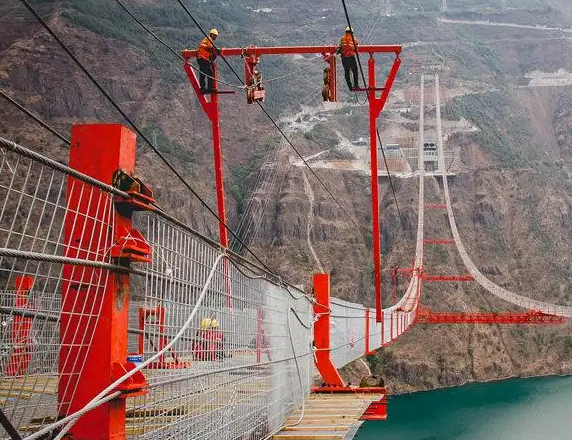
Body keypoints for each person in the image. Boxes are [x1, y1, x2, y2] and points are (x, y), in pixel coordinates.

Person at [196, 29, 219, 94]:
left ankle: (204, 88)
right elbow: (208, 47)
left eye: (216, 36)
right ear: (211, 34)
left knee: (204, 73)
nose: (215, 37)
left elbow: (210, 52)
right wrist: (214, 49)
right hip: (202, 59)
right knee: (209, 73)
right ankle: (208, 88)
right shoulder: (209, 39)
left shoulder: (207, 40)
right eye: (215, 35)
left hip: (202, 59)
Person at [338, 26, 359, 91]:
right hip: (351, 57)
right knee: (355, 71)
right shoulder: (354, 39)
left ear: (345, 32)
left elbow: (341, 46)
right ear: (352, 32)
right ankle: (356, 85)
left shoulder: (342, 38)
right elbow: (356, 49)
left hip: (344, 58)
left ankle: (350, 87)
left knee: (347, 72)